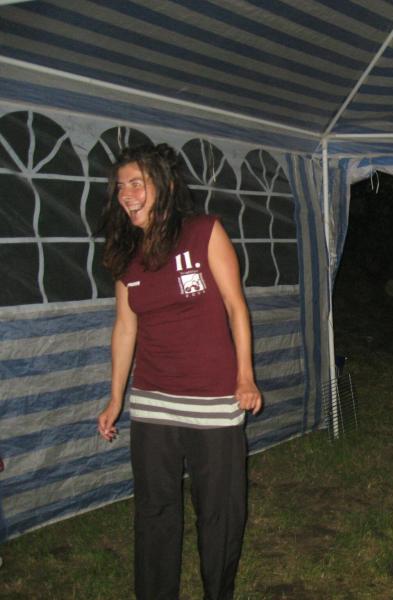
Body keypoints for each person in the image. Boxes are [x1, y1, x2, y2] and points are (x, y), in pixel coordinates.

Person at [96, 143, 262, 600]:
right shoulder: (126, 253)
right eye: (121, 186)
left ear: (166, 185)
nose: (126, 194)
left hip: (213, 398)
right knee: (154, 510)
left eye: (137, 183)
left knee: (219, 511)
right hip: (153, 401)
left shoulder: (204, 231)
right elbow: (125, 327)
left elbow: (235, 306)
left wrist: (245, 376)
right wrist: (116, 398)